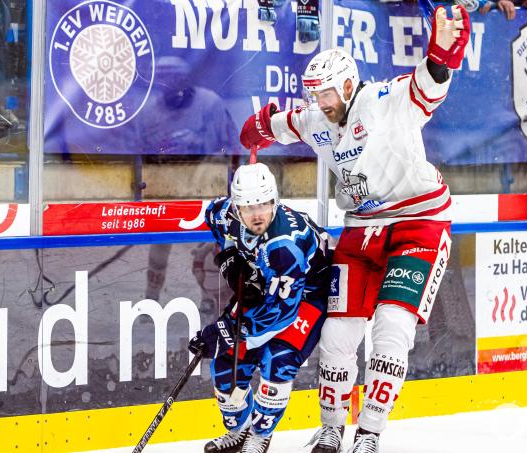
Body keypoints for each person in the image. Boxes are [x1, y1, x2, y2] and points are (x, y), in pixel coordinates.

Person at [238, 5, 470, 453]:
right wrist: (255, 132)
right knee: (337, 335)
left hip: (419, 223)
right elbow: (276, 124)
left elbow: (427, 86)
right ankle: (331, 428)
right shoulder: (316, 118)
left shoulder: (384, 100)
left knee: (392, 328)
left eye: (326, 93)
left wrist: (441, 56)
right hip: (360, 228)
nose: (320, 103)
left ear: (348, 85)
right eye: (313, 95)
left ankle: (369, 433)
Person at [188, 163, 332, 453]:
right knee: (226, 362)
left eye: (264, 204)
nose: (257, 214)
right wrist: (230, 256)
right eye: (249, 207)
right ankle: (240, 430)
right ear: (236, 206)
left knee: (278, 359)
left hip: (307, 295)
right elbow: (211, 215)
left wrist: (226, 331)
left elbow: (281, 313)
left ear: (274, 201)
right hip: (270, 286)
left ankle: (260, 435)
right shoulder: (225, 213)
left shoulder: (284, 247)